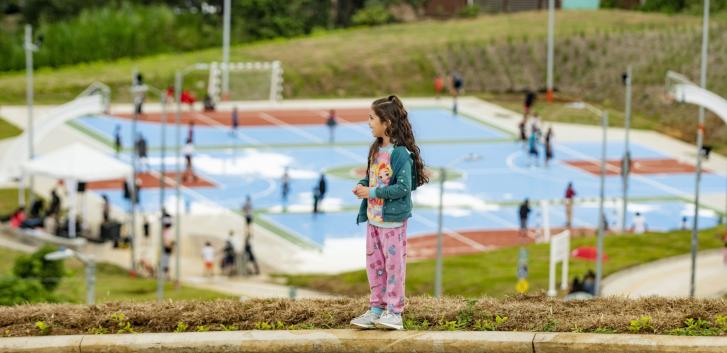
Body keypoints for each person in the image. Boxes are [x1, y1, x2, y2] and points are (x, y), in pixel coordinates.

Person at [349, 95, 428, 331]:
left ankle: (395, 312)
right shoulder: (376, 149)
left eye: (372, 118)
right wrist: (363, 185)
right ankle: (376, 309)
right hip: (374, 221)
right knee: (375, 266)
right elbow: (372, 177)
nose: (369, 122)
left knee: (394, 267)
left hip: (392, 223)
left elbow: (402, 188)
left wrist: (371, 191)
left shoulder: (400, 154)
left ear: (388, 122)